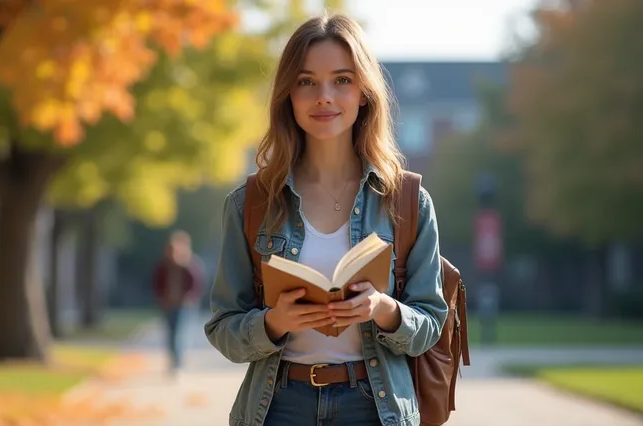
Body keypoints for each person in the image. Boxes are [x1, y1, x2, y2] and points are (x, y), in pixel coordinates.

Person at [204, 13, 448, 426]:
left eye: (342, 80)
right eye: (306, 82)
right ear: (288, 95)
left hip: (375, 408)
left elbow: (431, 324)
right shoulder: (251, 203)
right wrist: (273, 322)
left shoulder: (408, 201)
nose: (324, 97)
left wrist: (384, 309)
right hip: (278, 407)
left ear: (365, 93)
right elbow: (223, 326)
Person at [151, 230, 204, 374]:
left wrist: (188, 298)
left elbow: (196, 285)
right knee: (170, 332)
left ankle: (178, 362)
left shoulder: (190, 265)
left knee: (181, 333)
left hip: (184, 306)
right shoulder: (163, 266)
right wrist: (161, 298)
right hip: (168, 304)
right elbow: (156, 283)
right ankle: (173, 360)